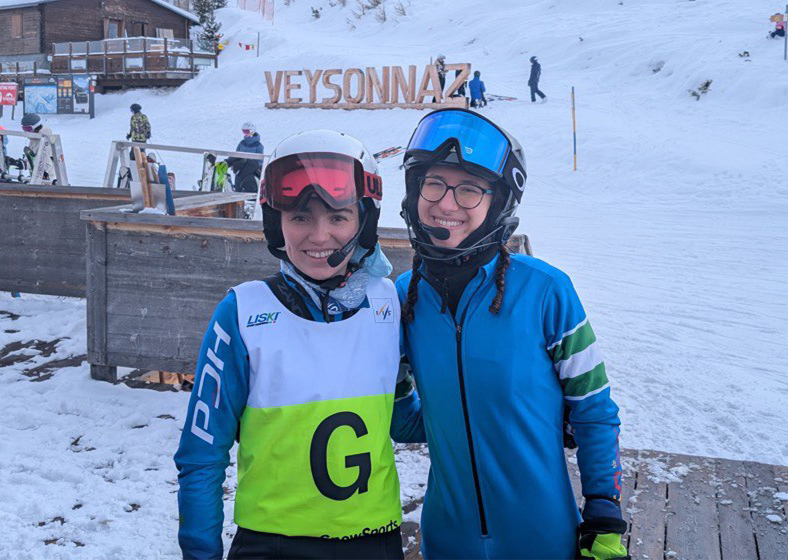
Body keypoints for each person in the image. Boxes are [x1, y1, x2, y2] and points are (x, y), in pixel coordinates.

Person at [391, 109, 627, 559]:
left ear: (498, 202)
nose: (445, 203)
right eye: (434, 183)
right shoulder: (406, 297)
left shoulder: (546, 291)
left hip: (544, 541)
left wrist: (604, 513)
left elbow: (593, 411)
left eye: (469, 189)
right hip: (447, 544)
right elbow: (404, 423)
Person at [175, 129, 406, 560]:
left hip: (375, 540)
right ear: (275, 223)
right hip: (273, 545)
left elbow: (404, 418)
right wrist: (200, 552)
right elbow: (202, 455)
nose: (319, 236)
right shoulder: (242, 312)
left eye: (338, 217)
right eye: (300, 217)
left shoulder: (388, 302)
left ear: (364, 221)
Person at [225, 122, 264, 193]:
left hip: (251, 169)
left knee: (246, 178)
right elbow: (236, 154)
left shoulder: (258, 145)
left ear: (252, 131)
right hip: (240, 168)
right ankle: (236, 191)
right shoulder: (242, 143)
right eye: (244, 131)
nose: (245, 134)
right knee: (238, 179)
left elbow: (259, 161)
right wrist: (229, 161)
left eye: (247, 131)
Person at [20, 113, 56, 183]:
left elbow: (44, 163)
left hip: (46, 178)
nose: (26, 131)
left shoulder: (44, 140)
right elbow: (32, 157)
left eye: (28, 129)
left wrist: (25, 164)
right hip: (36, 176)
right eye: (24, 129)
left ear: (36, 127)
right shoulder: (33, 139)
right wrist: (20, 162)